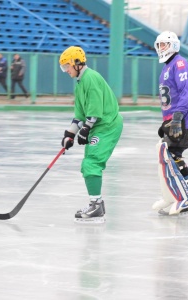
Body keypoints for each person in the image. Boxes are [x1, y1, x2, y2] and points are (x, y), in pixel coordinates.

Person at [59, 46, 123, 222]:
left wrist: (86, 128)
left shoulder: (90, 78)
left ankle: (96, 207)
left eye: (67, 66)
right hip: (99, 126)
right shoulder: (80, 83)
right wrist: (70, 135)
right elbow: (80, 114)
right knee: (87, 163)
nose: (66, 71)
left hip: (107, 126)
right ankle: (97, 204)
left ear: (77, 63)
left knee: (92, 163)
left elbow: (95, 108)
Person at [152, 31, 188, 216]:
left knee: (170, 154)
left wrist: (176, 118)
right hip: (177, 118)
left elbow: (186, 92)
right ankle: (178, 196)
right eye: (159, 45)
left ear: (173, 45)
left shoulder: (179, 63)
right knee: (169, 153)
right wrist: (167, 121)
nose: (161, 48)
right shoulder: (168, 67)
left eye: (164, 44)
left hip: (185, 118)